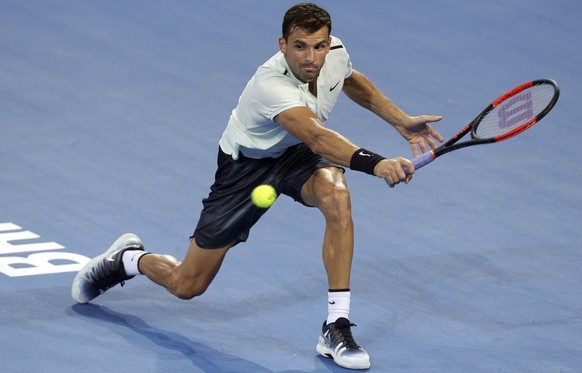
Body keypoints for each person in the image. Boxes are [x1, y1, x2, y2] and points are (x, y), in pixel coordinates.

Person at [72, 2, 443, 370]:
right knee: (187, 285)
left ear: (328, 43)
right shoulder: (271, 85)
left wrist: (400, 120)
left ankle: (336, 325)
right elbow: (316, 137)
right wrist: (377, 163)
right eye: (300, 46)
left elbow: (349, 79)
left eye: (319, 46)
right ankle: (128, 260)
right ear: (282, 44)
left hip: (295, 154)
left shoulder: (335, 53)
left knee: (337, 197)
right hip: (246, 169)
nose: (311, 57)